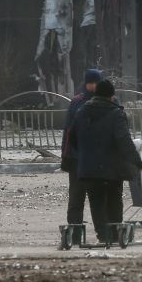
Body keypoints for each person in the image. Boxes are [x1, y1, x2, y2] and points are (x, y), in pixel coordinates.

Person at [69, 79, 142, 244]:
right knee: (114, 200)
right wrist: (137, 161)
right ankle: (115, 234)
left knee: (96, 202)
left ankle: (103, 236)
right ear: (112, 95)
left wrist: (85, 152)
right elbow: (124, 140)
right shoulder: (116, 113)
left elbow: (72, 138)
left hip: (88, 168)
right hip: (112, 168)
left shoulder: (82, 111)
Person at [60, 69, 102, 227]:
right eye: (91, 83)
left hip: (98, 160)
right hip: (77, 159)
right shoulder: (76, 102)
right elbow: (68, 131)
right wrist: (65, 156)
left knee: (97, 198)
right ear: (86, 84)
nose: (93, 86)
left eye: (96, 83)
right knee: (76, 197)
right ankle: (75, 230)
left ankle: (101, 231)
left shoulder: (108, 100)